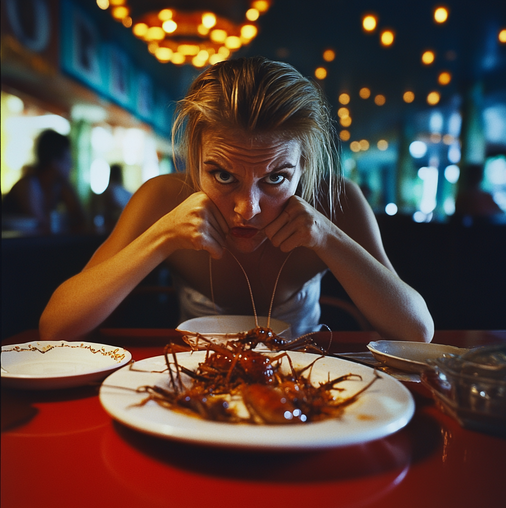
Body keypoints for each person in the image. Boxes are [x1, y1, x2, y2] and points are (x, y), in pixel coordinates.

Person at [39, 57, 434, 342]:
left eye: (276, 178)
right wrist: (161, 237)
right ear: (195, 158)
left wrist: (328, 238)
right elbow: (56, 326)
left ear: (304, 166)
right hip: (192, 391)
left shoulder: (336, 200)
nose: (248, 208)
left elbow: (416, 331)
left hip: (310, 397)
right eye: (223, 175)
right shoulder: (162, 198)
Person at [2, 129, 86, 234]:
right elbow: (42, 225)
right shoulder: (27, 185)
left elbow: (81, 218)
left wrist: (67, 185)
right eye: (68, 159)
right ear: (54, 162)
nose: (72, 166)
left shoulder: (59, 185)